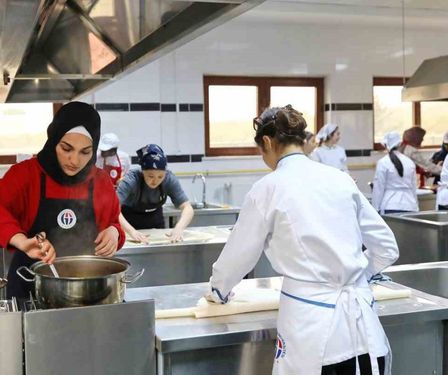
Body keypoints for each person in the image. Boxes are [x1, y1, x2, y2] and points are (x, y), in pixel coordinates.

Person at [207, 105, 398, 375]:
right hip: (364, 330)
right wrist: (356, 277)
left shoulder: (268, 188)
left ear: (267, 142)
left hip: (311, 331)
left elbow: (239, 255)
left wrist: (218, 290)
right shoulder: (340, 180)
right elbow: (387, 248)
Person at [0, 102, 125, 300]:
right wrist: (22, 241)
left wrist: (114, 233)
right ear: (54, 140)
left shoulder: (101, 181)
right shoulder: (27, 174)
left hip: (87, 287)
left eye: (85, 152)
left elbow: (113, 223)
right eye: (66, 148)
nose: (74, 160)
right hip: (31, 284)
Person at [117, 144, 193, 243]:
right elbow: (113, 209)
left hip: (155, 219)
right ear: (143, 171)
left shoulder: (169, 179)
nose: (155, 181)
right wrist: (131, 232)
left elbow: (187, 207)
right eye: (150, 176)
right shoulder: (131, 179)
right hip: (129, 221)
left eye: (160, 176)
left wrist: (179, 228)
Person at [371, 132, 418, 215]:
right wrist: (416, 206)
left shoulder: (383, 162)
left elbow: (378, 188)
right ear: (400, 144)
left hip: (390, 205)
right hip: (409, 205)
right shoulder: (409, 162)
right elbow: (414, 188)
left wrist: (375, 209)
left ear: (385, 145)